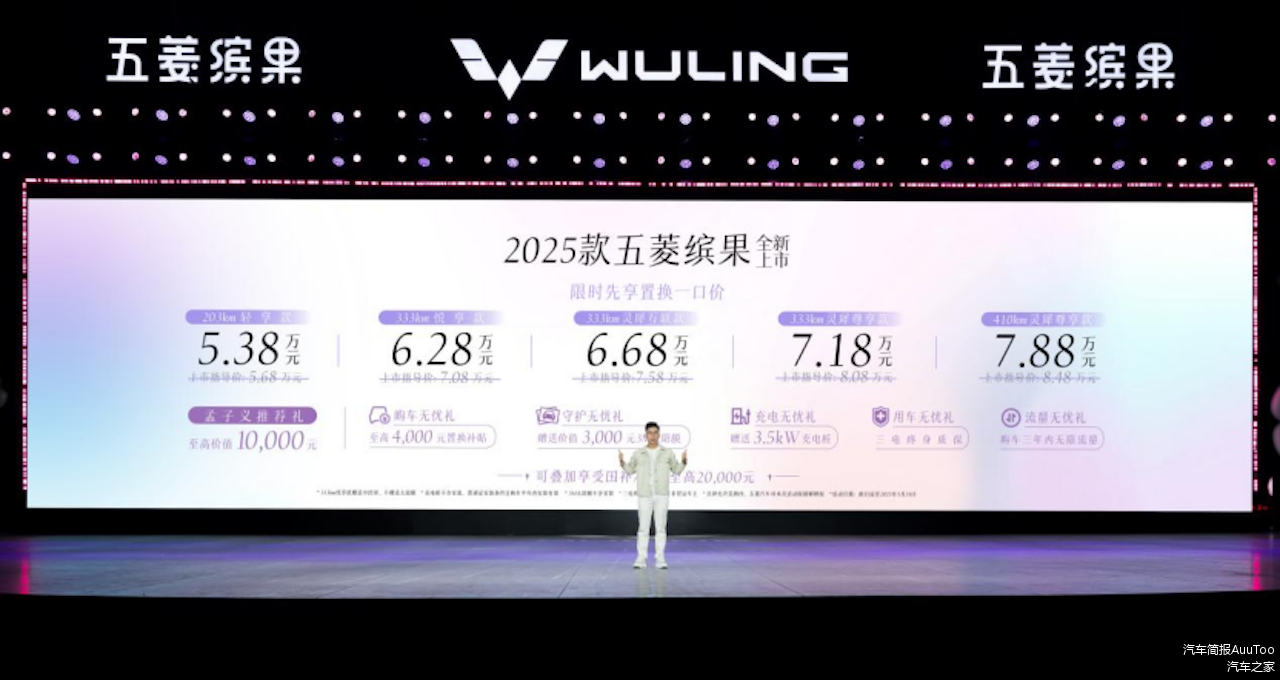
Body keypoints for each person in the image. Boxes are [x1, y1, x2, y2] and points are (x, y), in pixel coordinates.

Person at [618, 422, 688, 569]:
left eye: (655, 432)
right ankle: (641, 558)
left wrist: (684, 462)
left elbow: (676, 470)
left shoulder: (667, 452)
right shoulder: (639, 453)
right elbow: (630, 470)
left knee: (661, 528)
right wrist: (622, 462)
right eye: (650, 433)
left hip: (661, 494)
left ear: (659, 434)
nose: (653, 436)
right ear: (646, 435)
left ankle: (660, 558)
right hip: (644, 495)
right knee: (643, 528)